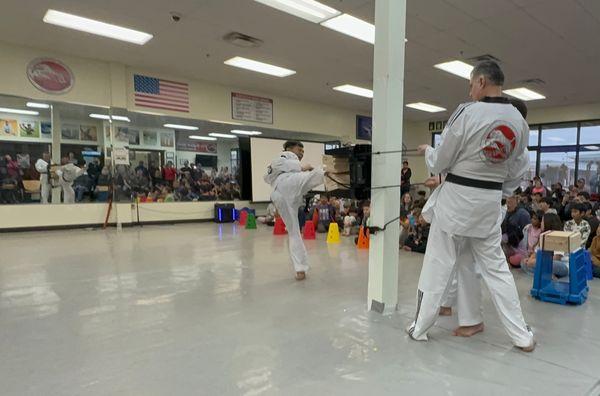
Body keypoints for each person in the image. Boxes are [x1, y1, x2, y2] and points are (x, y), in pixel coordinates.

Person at [407, 60, 535, 351]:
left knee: (438, 265)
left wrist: (429, 152)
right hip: (489, 202)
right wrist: (491, 187)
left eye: (470, 83)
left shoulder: (467, 112)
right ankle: (521, 336)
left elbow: (442, 161)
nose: (469, 89)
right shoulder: (519, 121)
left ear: (480, 82)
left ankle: (421, 328)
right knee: (496, 270)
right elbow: (514, 175)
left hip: (456, 201)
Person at [264, 141, 325, 281]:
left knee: (294, 232)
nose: (301, 153)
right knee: (314, 176)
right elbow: (269, 174)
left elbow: (268, 177)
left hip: (282, 194)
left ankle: (300, 269)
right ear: (289, 149)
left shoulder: (288, 165)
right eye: (299, 149)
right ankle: (331, 172)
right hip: (287, 184)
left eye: (303, 151)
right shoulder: (283, 156)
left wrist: (300, 168)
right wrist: (302, 167)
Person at [522, 213, 569, 277]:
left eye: (542, 221)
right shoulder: (542, 236)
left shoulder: (558, 236)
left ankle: (543, 274)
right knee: (523, 263)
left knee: (553, 264)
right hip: (545, 263)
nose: (541, 223)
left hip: (560, 264)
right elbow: (536, 253)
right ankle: (547, 275)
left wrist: (535, 262)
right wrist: (530, 260)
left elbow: (556, 258)